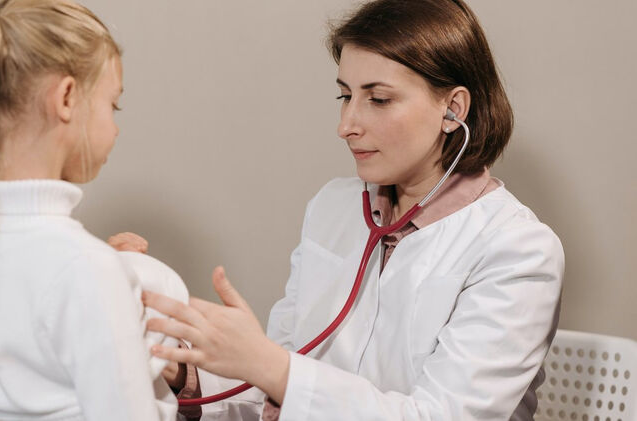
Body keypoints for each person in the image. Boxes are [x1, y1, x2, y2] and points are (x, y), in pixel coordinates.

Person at [142, 0, 565, 419]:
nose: (346, 126)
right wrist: (180, 367)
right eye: (345, 96)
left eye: (378, 99)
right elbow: (274, 390)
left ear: (452, 110)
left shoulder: (517, 251)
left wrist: (272, 367)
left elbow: (440, 415)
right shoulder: (332, 208)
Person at [0, 1, 190, 419]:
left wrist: (108, 274)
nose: (116, 127)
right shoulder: (87, 269)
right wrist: (105, 277)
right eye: (113, 105)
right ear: (67, 98)